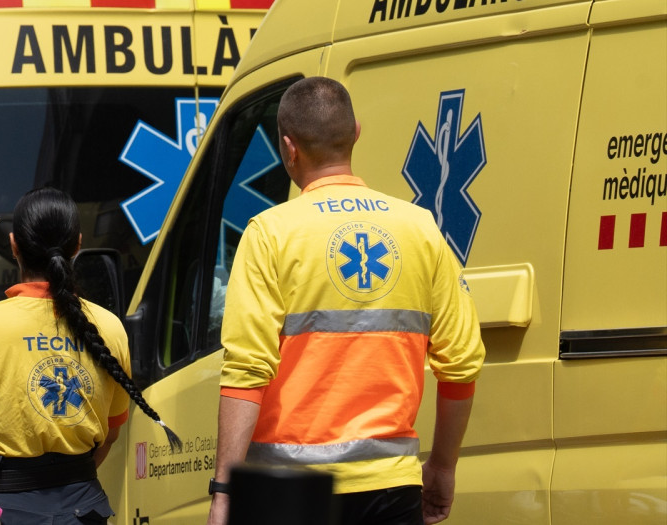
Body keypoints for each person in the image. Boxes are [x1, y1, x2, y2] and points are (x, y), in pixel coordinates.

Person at [206, 77, 485, 525]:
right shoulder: (419, 228)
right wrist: (443, 467)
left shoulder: (270, 233)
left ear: (288, 148)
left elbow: (247, 370)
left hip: (288, 491)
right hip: (391, 487)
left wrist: (224, 491)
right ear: (356, 132)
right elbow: (463, 364)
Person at [0, 187, 181, 525]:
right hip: (83, 511)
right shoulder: (110, 328)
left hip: (0, 512)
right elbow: (110, 433)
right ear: (77, 244)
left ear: (14, 246)